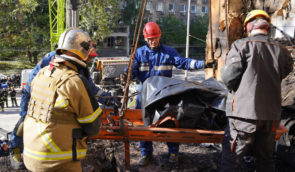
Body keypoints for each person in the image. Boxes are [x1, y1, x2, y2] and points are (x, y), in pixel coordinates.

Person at [9, 37, 112, 170]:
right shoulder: (53, 58)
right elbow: (37, 80)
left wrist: (106, 98)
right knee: (28, 118)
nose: (89, 59)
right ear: (77, 52)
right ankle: (15, 147)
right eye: (89, 56)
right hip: (36, 92)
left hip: (54, 89)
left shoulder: (78, 65)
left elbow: (89, 88)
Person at [220, 10, 293, 172]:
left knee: (231, 161)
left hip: (243, 116)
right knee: (266, 161)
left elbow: (228, 77)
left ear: (248, 26)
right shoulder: (281, 50)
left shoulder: (241, 46)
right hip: (270, 117)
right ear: (266, 27)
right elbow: (286, 71)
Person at [130, 22, 205, 166]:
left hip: (164, 93)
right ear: (145, 38)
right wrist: (126, 74)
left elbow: (183, 62)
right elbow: (132, 72)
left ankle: (173, 151)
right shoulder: (139, 53)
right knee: (143, 124)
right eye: (150, 39)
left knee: (170, 122)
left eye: (155, 38)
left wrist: (202, 64)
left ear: (160, 36)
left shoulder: (168, 52)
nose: (153, 41)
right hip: (144, 93)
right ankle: (145, 153)